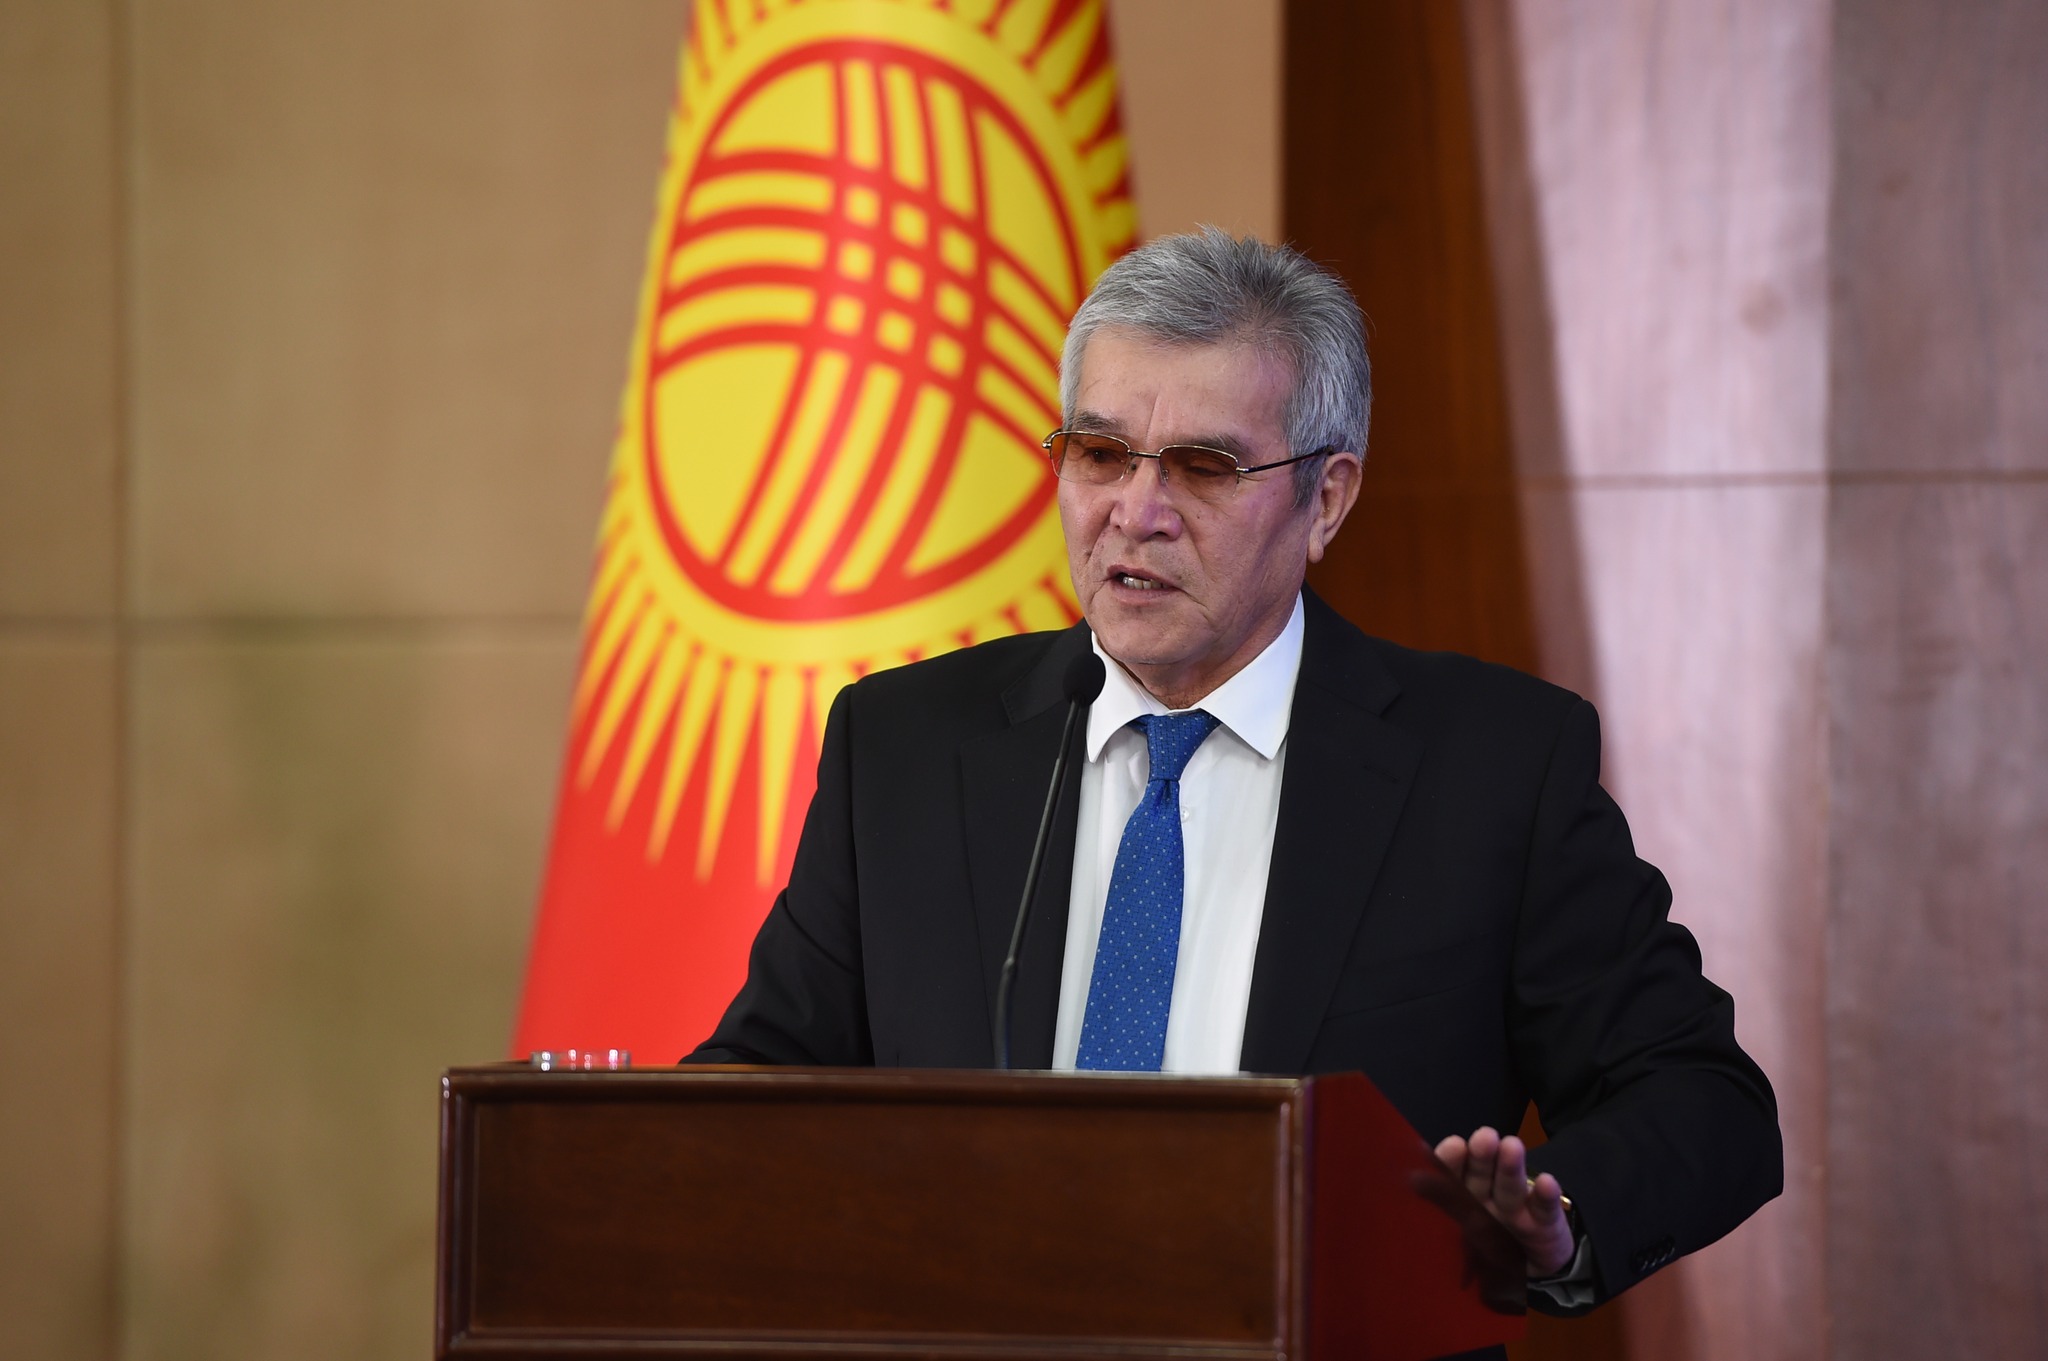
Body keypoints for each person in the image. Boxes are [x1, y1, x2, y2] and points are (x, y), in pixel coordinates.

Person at [688, 228, 1781, 1316]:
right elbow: (757, 1088)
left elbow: (1702, 1099)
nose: (1135, 511)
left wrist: (1552, 1210)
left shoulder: (1490, 770)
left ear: (1326, 499)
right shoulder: (907, 746)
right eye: (1099, 452)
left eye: (1204, 467)